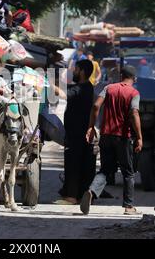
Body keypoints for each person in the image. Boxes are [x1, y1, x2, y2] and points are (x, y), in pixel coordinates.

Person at [81, 65, 143, 215]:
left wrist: (90, 127)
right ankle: (128, 207)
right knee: (128, 172)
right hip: (122, 137)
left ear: (121, 76)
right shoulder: (134, 92)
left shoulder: (108, 88)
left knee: (105, 170)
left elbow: (96, 106)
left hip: (106, 135)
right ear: (134, 79)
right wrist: (139, 137)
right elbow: (134, 113)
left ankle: (91, 191)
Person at [56, 59, 96, 205]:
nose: (74, 71)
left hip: (77, 134)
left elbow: (64, 94)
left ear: (82, 72)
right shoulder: (84, 87)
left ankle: (72, 197)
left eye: (76, 69)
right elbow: (68, 89)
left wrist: (45, 84)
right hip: (80, 133)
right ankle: (79, 194)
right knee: (82, 164)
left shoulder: (83, 88)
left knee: (73, 164)